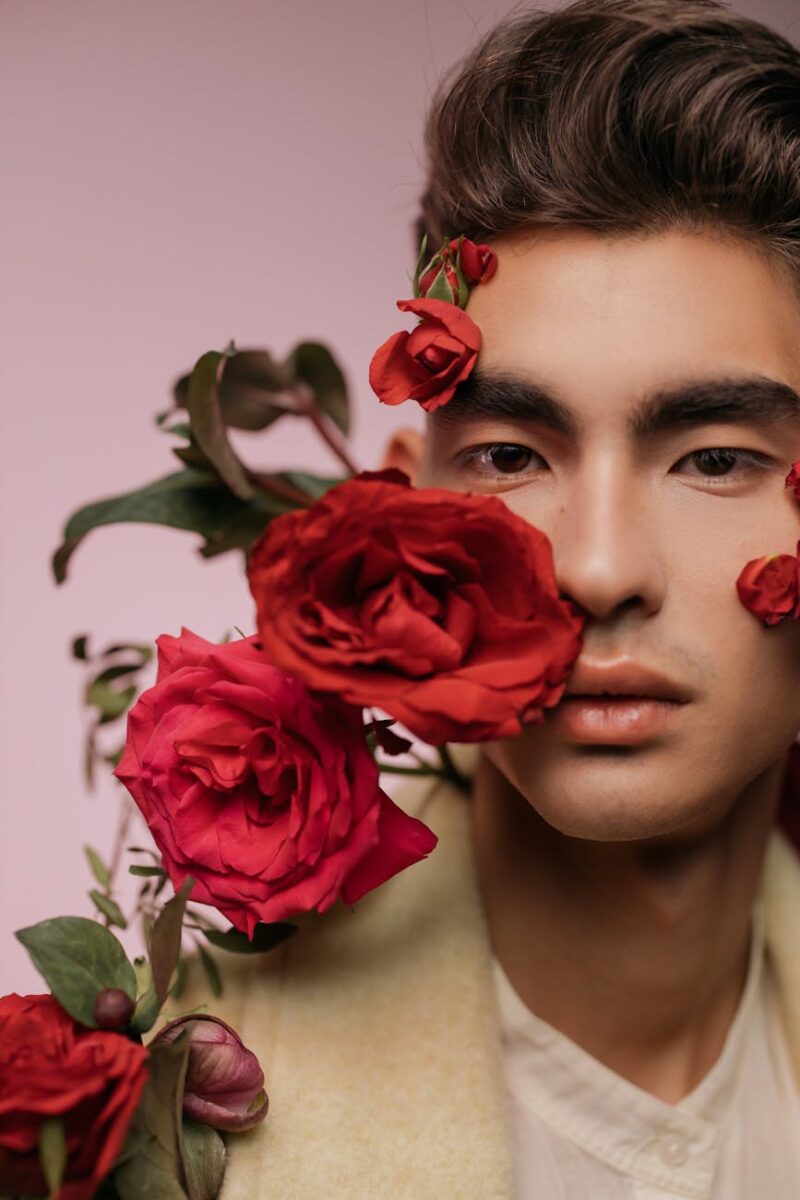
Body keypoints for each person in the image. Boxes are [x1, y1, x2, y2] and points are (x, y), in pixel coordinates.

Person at [176, 2, 800, 1195]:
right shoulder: (165, 1089)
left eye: (715, 457)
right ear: (397, 512)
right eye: (511, 455)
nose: (595, 569)